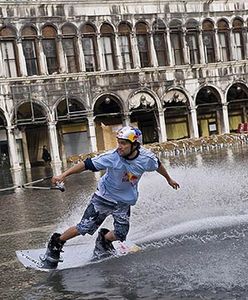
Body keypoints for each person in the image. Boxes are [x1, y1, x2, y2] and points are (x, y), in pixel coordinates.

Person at [44, 126, 180, 268]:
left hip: (124, 202)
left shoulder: (147, 158)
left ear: (134, 145)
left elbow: (157, 165)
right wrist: (63, 175)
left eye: (123, 143)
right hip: (103, 198)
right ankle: (57, 242)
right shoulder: (112, 157)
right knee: (84, 227)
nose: (119, 147)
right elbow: (85, 165)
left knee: (121, 234)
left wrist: (168, 179)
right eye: (118, 142)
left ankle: (104, 240)